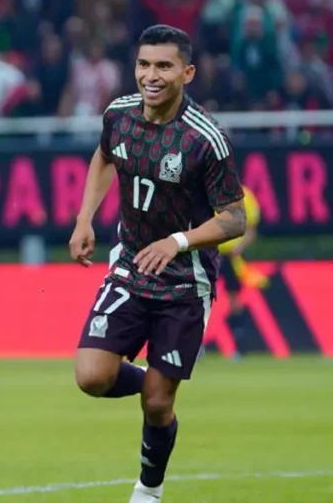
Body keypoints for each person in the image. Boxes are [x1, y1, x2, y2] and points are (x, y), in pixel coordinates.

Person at [68, 25, 247, 503]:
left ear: (186, 73)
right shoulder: (119, 114)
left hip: (185, 281)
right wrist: (85, 218)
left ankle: (149, 489)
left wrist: (179, 240)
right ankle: (156, 381)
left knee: (157, 404)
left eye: (164, 66)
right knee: (91, 376)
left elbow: (234, 219)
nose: (151, 75)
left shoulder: (206, 138)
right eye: (144, 64)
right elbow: (104, 157)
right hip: (129, 266)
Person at [217, 184, 262, 360]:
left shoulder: (245, 196)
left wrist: (239, 247)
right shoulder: (205, 191)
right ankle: (195, 348)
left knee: (235, 300)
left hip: (230, 257)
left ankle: (239, 347)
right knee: (199, 300)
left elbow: (251, 229)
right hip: (207, 253)